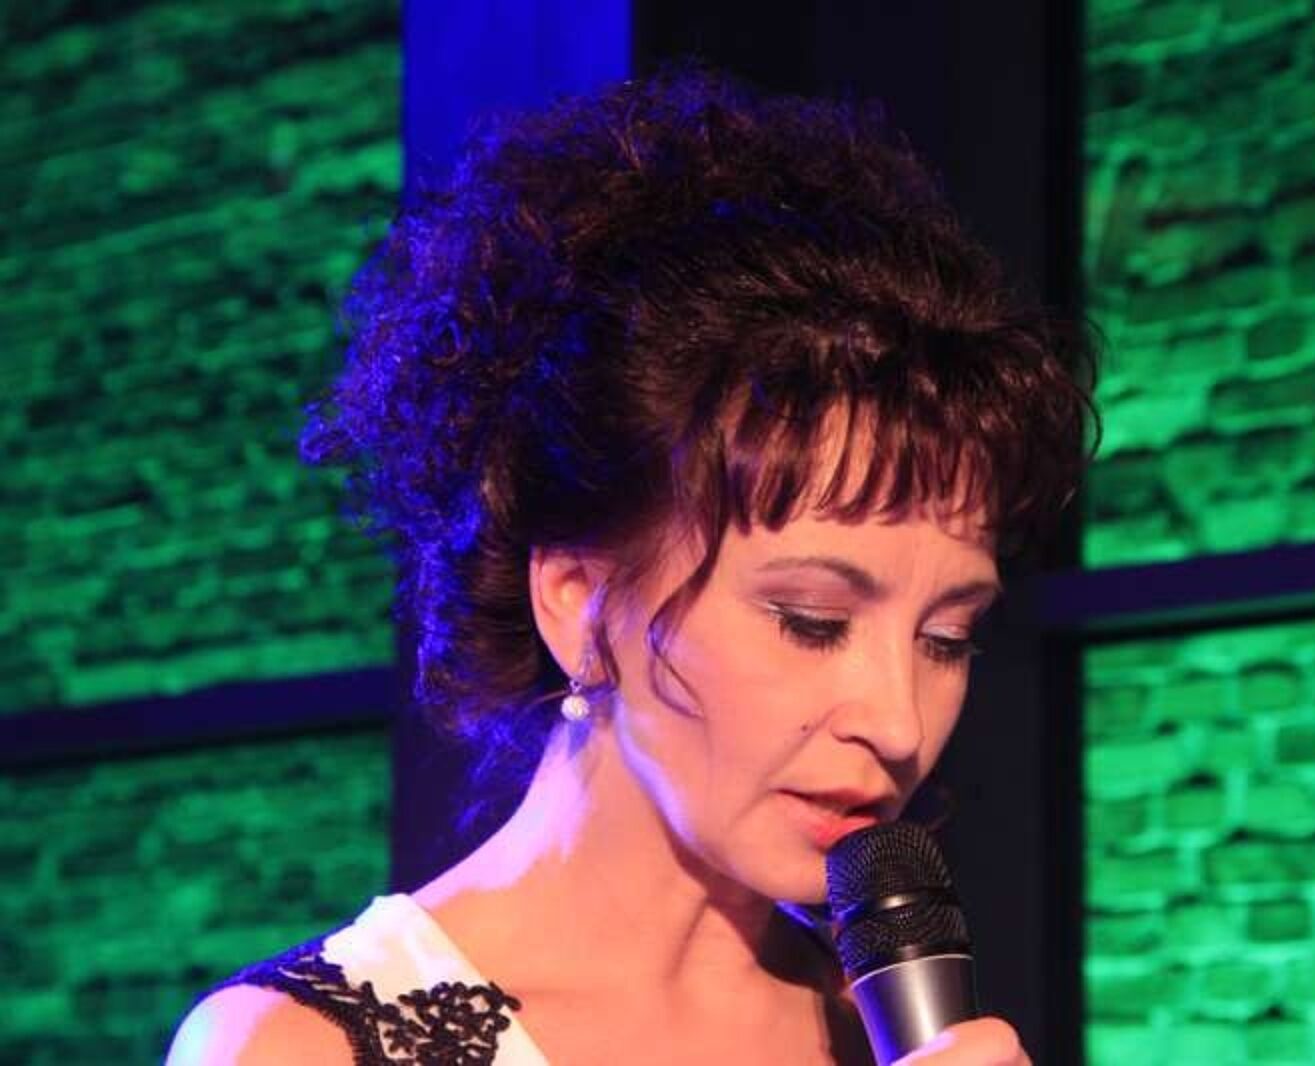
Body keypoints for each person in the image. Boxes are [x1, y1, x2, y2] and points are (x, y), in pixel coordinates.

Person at [168, 67, 1094, 1065]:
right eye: (811, 621)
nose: (898, 722)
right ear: (579, 599)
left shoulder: (890, 1028)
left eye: (946, 638)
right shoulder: (302, 1046)